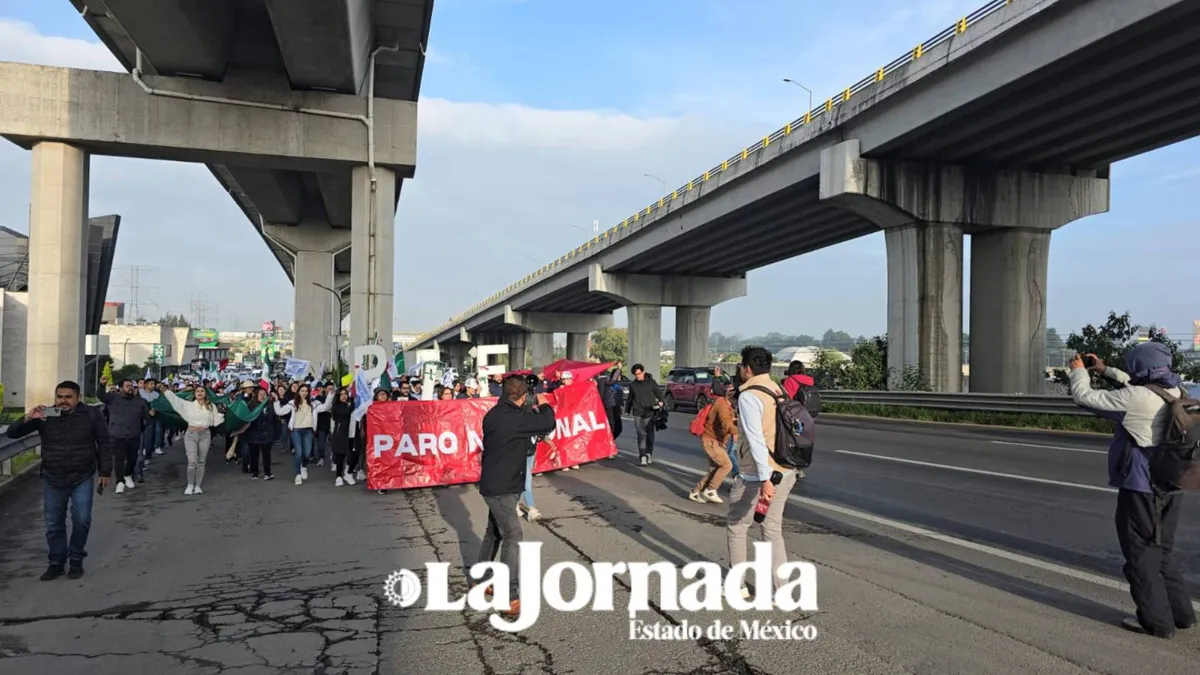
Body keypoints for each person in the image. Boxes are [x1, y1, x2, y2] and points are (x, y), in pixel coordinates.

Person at [1068, 344, 1197, 637]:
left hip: (1141, 486)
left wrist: (1078, 373)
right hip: (1171, 484)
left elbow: (1085, 397)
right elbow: (1134, 383)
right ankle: (1182, 615)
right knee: (1163, 551)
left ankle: (1156, 622)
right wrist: (1104, 370)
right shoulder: (1176, 390)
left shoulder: (1134, 398)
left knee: (1140, 554)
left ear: (1140, 366)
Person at [7, 381, 111, 580]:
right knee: (54, 524)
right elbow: (12, 433)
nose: (63, 401)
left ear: (77, 398)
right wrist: (28, 417)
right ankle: (56, 562)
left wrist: (105, 471)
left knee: (82, 520)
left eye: (68, 397)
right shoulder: (46, 415)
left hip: (82, 476)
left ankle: (76, 560)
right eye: (59, 397)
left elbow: (104, 442)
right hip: (53, 478)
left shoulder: (90, 414)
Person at [474, 375, 557, 615]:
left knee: (494, 533)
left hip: (496, 483)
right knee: (513, 535)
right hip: (502, 488)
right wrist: (543, 402)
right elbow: (547, 422)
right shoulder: (514, 418)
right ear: (522, 397)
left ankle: (482, 579)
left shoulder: (495, 414)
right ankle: (510, 595)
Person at [727, 345, 798, 601]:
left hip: (757, 475)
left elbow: (756, 438)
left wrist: (764, 478)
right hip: (785, 470)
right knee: (772, 530)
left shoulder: (749, 397)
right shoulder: (777, 390)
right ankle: (782, 589)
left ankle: (738, 585)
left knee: (737, 525)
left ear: (747, 368)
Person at [162, 385, 225, 495]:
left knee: (201, 461)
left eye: (202, 391)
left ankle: (198, 485)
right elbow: (176, 401)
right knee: (192, 461)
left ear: (206, 393)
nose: (200, 393)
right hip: (191, 435)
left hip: (205, 434)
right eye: (197, 391)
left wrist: (222, 412)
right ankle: (190, 484)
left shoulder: (211, 406)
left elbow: (216, 420)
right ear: (194, 394)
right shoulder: (189, 405)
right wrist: (166, 392)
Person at [274, 383, 333, 485]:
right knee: (299, 452)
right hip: (296, 430)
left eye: (306, 391)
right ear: (298, 392)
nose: (304, 393)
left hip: (308, 430)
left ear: (309, 392)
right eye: (302, 391)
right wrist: (276, 401)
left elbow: (325, 407)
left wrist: (330, 396)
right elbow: (280, 412)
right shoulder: (293, 403)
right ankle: (297, 474)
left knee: (307, 453)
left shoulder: (314, 403)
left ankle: (304, 466)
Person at [97, 378, 149, 495]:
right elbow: (101, 395)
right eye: (127, 386)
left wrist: (142, 426)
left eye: (131, 385)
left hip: (134, 434)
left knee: (132, 458)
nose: (130, 388)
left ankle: (128, 475)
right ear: (120, 388)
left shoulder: (140, 401)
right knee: (119, 458)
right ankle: (120, 481)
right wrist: (101, 385)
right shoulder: (113, 398)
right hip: (117, 434)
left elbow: (147, 417)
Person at [690, 380, 736, 504]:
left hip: (714, 440)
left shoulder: (725, 404)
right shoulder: (723, 406)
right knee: (727, 465)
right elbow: (726, 424)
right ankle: (711, 490)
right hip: (711, 440)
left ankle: (695, 492)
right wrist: (739, 431)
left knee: (714, 468)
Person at [624, 363, 664, 465]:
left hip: (650, 412)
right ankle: (642, 456)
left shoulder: (651, 382)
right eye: (636, 374)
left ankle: (649, 453)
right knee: (641, 434)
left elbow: (659, 393)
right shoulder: (633, 385)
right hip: (638, 412)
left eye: (639, 373)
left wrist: (661, 401)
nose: (638, 376)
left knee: (649, 434)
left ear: (643, 372)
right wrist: (627, 410)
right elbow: (630, 398)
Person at [241, 387, 276, 480]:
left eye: (264, 394)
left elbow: (274, 419)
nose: (262, 396)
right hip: (253, 433)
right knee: (254, 454)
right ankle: (255, 472)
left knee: (266, 454)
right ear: (256, 395)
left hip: (267, 433)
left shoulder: (270, 405)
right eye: (260, 394)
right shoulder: (250, 405)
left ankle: (267, 473)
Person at [329, 387, 358, 487]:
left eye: (345, 394)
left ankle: (348, 472)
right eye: (341, 394)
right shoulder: (337, 406)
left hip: (352, 432)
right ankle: (338, 476)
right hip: (340, 433)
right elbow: (344, 413)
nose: (344, 396)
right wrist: (353, 406)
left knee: (354, 454)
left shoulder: (350, 404)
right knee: (340, 456)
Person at [599, 364, 624, 441]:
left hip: (616, 407)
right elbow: (612, 380)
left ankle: (611, 440)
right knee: (612, 424)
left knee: (618, 427)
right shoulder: (605, 381)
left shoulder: (618, 385)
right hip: (609, 406)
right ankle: (609, 441)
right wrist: (618, 369)